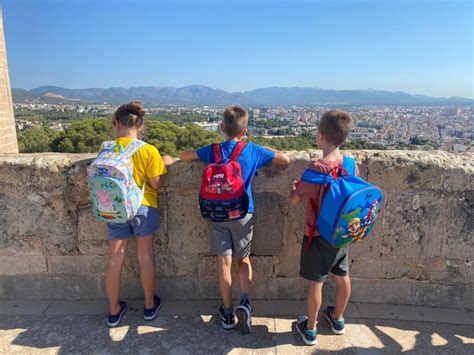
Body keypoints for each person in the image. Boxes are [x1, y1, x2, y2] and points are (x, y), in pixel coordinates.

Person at [180, 105, 290, 333]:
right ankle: (246, 302)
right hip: (242, 212)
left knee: (223, 261)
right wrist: (263, 147)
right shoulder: (253, 150)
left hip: (216, 212)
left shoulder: (213, 150)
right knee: (243, 260)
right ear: (245, 131)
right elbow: (285, 160)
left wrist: (173, 158)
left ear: (221, 127)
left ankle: (228, 311)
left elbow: (185, 156)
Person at [290, 110, 357, 345]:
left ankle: (310, 329)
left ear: (320, 135)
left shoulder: (316, 169)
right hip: (342, 234)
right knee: (343, 276)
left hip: (318, 235)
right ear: (345, 138)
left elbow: (296, 199)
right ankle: (338, 319)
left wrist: (294, 188)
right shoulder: (350, 165)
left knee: (316, 283)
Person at [103, 102, 167, 327]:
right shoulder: (149, 151)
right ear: (140, 126)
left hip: (115, 208)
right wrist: (164, 164)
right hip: (143, 206)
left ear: (116, 124)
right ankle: (149, 306)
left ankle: (113, 311)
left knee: (115, 259)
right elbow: (156, 184)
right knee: (145, 257)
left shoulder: (108, 149)